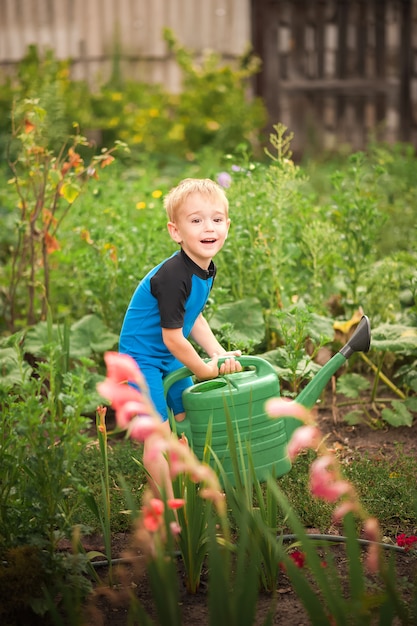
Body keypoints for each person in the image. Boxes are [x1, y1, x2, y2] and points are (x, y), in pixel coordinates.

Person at [119, 178, 242, 496]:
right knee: (157, 434)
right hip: (142, 358)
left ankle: (188, 484)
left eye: (216, 219)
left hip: (168, 354)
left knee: (187, 416)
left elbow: (193, 315)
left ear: (227, 225)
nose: (208, 228)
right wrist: (203, 369)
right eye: (196, 220)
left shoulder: (206, 267)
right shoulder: (173, 276)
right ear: (176, 231)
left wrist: (218, 353)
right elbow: (173, 337)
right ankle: (162, 507)